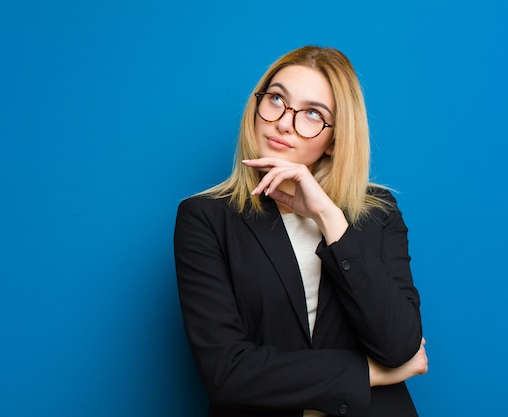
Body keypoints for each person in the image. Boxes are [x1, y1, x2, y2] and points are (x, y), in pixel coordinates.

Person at [173, 46, 428, 417]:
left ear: (335, 139)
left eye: (312, 114)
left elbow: (400, 346)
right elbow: (226, 371)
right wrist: (366, 373)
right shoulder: (206, 218)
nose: (284, 122)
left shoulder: (378, 212)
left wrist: (328, 215)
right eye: (276, 99)